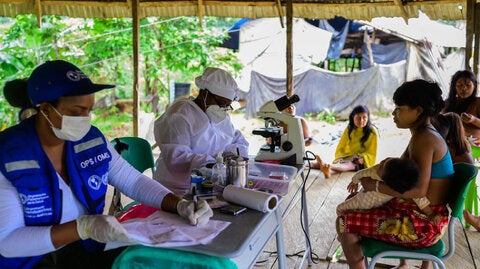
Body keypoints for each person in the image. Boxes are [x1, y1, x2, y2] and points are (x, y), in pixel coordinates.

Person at [0, 60, 213, 269]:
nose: (85, 118)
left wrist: (179, 205)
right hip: (32, 261)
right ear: (45, 109)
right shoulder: (8, 154)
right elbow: (7, 242)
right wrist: (83, 228)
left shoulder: (91, 141)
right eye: (76, 112)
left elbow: (134, 181)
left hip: (84, 251)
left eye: (89, 110)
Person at [336, 79, 454, 269]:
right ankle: (401, 264)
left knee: (344, 221)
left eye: (399, 108)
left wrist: (373, 186)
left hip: (424, 223)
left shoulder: (424, 139)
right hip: (421, 213)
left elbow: (417, 190)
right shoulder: (422, 134)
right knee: (355, 206)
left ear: (418, 111)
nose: (393, 113)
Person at [153, 67, 249, 195]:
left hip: (211, 184)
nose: (223, 108)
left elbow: (237, 139)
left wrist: (230, 156)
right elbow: (177, 157)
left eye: (227, 105)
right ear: (204, 93)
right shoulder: (180, 115)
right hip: (177, 188)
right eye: (221, 103)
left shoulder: (221, 115)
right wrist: (214, 162)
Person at [337, 157, 441, 224]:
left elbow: (362, 173)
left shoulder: (376, 172)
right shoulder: (395, 178)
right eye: (385, 160)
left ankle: (346, 229)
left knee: (340, 208)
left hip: (365, 201)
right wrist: (430, 213)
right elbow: (420, 199)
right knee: (350, 201)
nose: (381, 163)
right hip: (369, 196)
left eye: (382, 165)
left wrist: (355, 181)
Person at [319, 105, 378, 178]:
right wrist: (341, 157)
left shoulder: (372, 131)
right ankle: (328, 171)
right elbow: (341, 146)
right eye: (358, 118)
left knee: (348, 165)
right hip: (351, 156)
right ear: (353, 117)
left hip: (362, 161)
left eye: (364, 117)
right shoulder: (350, 128)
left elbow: (372, 153)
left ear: (368, 118)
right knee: (342, 162)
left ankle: (326, 166)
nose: (361, 121)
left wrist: (363, 159)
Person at [443, 70, 480, 142]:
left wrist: (473, 120)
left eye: (468, 85)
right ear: (454, 87)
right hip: (451, 143)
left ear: (474, 86)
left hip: (474, 145)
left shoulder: (478, 102)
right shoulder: (448, 103)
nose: (463, 88)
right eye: (459, 85)